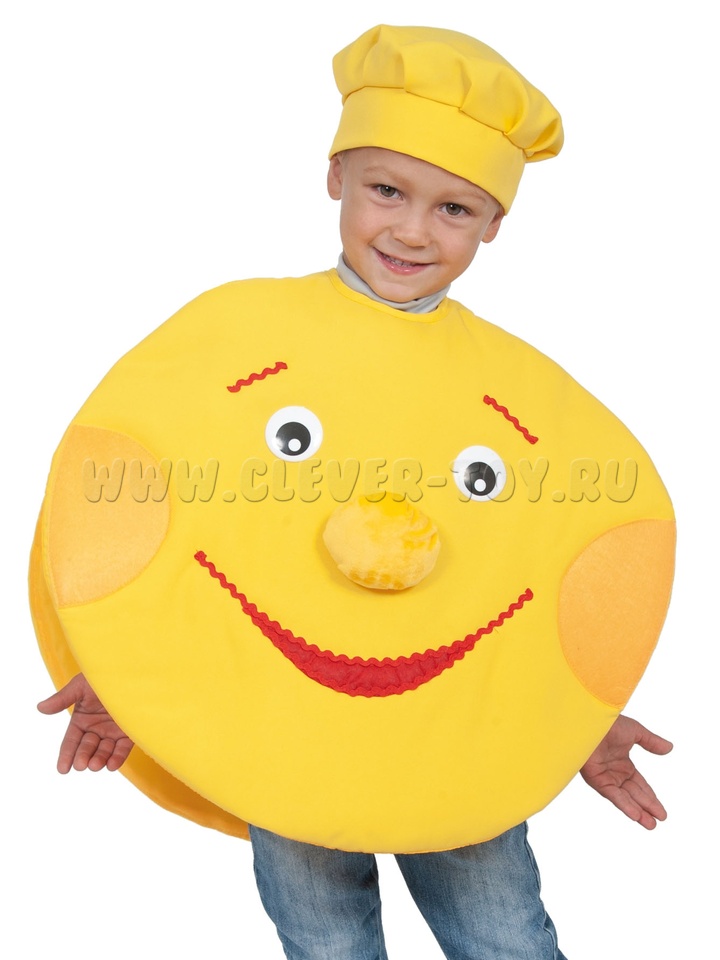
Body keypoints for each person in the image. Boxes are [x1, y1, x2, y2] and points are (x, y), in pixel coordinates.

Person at [36, 25, 673, 960]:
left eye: (455, 208)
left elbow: (550, 562)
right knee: (325, 941)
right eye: (387, 190)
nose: (413, 231)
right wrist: (130, 662)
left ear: (496, 223)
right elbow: (141, 498)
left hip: (455, 738)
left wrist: (573, 714)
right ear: (335, 175)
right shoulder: (233, 337)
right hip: (283, 728)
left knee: (503, 937)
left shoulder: (521, 399)